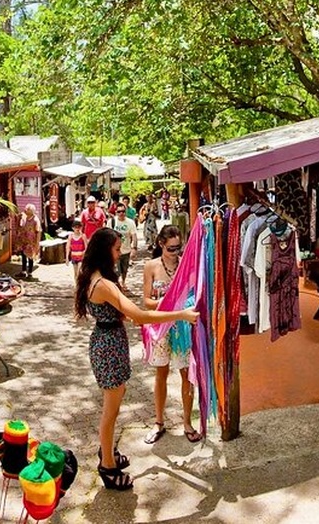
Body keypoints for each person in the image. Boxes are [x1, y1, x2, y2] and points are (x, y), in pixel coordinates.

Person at [75, 228, 198, 491]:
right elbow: (139, 315)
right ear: (104, 250)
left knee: (115, 402)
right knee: (111, 410)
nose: (120, 253)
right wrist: (180, 314)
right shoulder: (103, 284)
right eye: (117, 249)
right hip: (108, 347)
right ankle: (107, 465)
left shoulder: (91, 277)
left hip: (107, 341)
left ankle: (107, 451)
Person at [142, 225, 202, 444]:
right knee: (161, 374)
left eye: (178, 248)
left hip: (182, 327)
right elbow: (146, 301)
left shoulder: (186, 266)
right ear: (161, 244)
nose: (175, 253)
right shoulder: (151, 266)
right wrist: (168, 303)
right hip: (160, 327)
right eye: (171, 248)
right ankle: (159, 421)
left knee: (187, 374)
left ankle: (187, 422)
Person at [109, 204, 137, 288]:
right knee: (117, 270)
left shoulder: (130, 222)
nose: (121, 213)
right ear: (116, 212)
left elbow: (134, 236)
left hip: (126, 250)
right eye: (119, 211)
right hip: (115, 251)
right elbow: (107, 235)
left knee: (124, 269)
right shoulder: (111, 222)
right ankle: (118, 284)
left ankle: (123, 282)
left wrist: (134, 248)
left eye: (123, 211)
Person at [15, 204, 41, 278]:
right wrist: (18, 219)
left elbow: (38, 232)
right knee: (23, 256)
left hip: (31, 242)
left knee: (30, 257)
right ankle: (23, 271)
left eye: (27, 209)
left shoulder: (36, 220)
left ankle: (30, 272)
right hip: (24, 241)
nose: (25, 210)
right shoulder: (24, 218)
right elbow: (19, 228)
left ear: (31, 211)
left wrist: (37, 243)